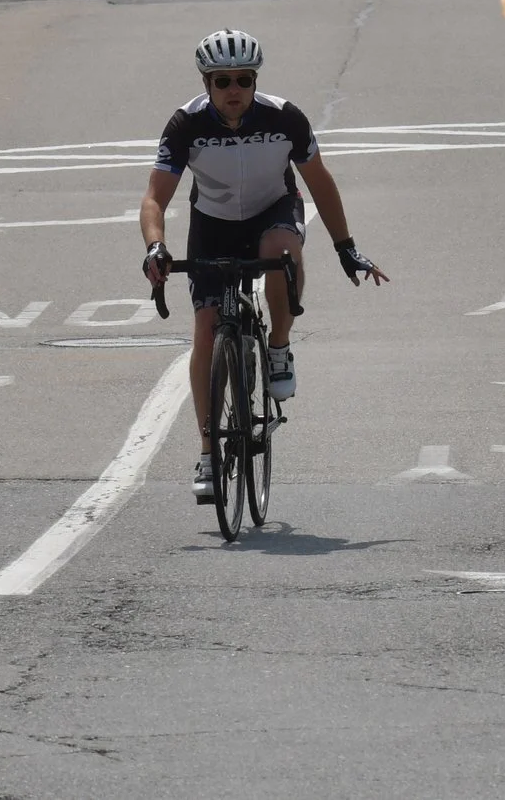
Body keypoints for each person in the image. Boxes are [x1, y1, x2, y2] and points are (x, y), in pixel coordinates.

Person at [139, 31, 385, 503]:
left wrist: (345, 246)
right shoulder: (185, 125)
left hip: (274, 208)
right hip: (213, 222)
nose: (234, 89)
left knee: (282, 252)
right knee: (207, 330)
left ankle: (277, 346)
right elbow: (155, 196)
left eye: (244, 80)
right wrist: (155, 247)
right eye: (222, 81)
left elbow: (319, 182)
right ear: (207, 83)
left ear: (255, 81)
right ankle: (209, 454)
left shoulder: (284, 118)